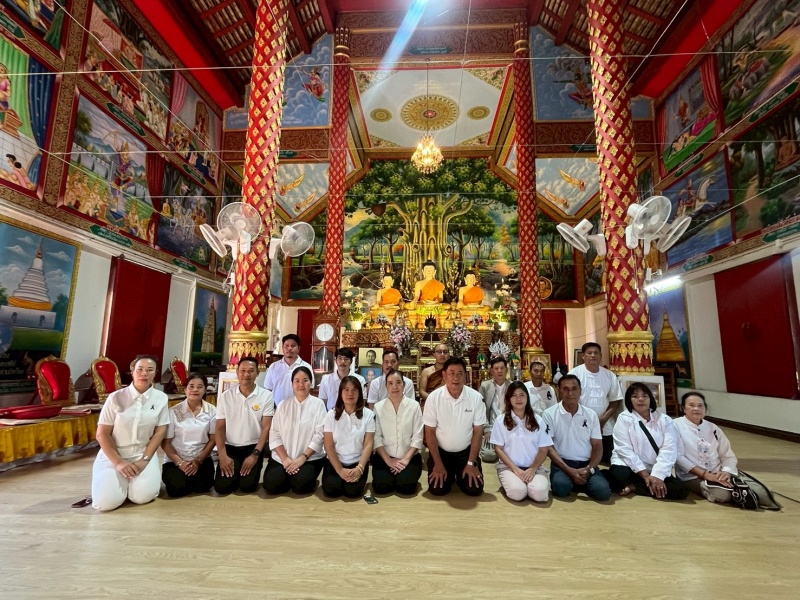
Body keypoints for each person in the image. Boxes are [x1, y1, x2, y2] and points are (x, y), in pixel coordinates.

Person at [91, 355, 169, 511]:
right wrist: (119, 462)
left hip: (142, 454)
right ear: (132, 371)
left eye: (150, 370)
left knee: (142, 498)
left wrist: (145, 459)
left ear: (155, 373)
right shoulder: (115, 398)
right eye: (140, 369)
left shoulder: (161, 398)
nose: (144, 373)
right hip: (114, 454)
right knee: (105, 504)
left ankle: (129, 486)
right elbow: (102, 434)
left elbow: (160, 432)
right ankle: (116, 485)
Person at [607, 383, 688, 500]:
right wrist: (644, 474)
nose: (640, 399)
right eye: (635, 396)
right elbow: (624, 449)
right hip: (628, 464)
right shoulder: (624, 418)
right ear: (629, 401)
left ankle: (635, 487)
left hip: (654, 467)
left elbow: (669, 449)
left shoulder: (665, 420)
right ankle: (646, 484)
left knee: (680, 490)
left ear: (651, 399)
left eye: (644, 396)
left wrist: (657, 476)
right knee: (618, 477)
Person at [541, 375, 611, 501]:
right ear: (559, 391)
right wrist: (569, 470)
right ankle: (576, 480)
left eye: (574, 389)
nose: (570, 393)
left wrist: (589, 469)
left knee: (603, 492)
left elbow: (597, 446)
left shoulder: (591, 415)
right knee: (561, 488)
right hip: (562, 464)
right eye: (565, 389)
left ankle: (582, 479)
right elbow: (549, 447)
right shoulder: (549, 414)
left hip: (587, 464)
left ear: (580, 391)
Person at [423, 357, 485, 497]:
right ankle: (449, 474)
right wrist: (438, 464)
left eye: (460, 373)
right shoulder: (433, 398)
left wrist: (471, 462)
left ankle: (461, 473)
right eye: (451, 373)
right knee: (438, 490)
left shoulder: (476, 398)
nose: (455, 378)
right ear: (444, 375)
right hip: (441, 453)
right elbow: (429, 432)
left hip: (466, 453)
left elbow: (478, 431)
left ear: (465, 376)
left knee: (474, 490)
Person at [214, 357, 273, 495]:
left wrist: (255, 455)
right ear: (237, 372)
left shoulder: (266, 396)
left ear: (258, 373)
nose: (246, 374)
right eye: (243, 371)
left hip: (253, 447)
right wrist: (222, 455)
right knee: (222, 488)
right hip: (230, 447)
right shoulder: (226, 396)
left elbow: (266, 427)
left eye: (251, 371)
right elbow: (220, 427)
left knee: (247, 487)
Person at [263, 366, 327, 495]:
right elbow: (274, 433)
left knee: (300, 487)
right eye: (297, 381)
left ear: (311, 383)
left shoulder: (318, 404)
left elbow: (319, 435)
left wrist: (303, 457)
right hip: (282, 458)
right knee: (271, 486)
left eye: (305, 380)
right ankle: (289, 474)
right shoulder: (283, 405)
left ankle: (298, 477)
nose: (301, 384)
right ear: (292, 384)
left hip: (309, 458)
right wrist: (285, 459)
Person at [491, 381, 553, 502]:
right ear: (509, 399)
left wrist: (533, 469)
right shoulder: (500, 421)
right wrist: (515, 469)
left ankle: (529, 484)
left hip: (534, 468)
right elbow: (498, 449)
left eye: (522, 395)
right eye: (514, 395)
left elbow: (543, 449)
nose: (518, 399)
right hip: (509, 468)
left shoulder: (538, 420)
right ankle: (518, 484)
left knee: (540, 495)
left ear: (527, 397)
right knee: (518, 493)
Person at [674, 392, 738, 503]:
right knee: (723, 495)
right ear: (683, 408)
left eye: (700, 405)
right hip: (692, 476)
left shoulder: (713, 428)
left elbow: (727, 455)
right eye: (691, 405)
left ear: (705, 409)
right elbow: (677, 456)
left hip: (718, 473)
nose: (696, 409)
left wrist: (726, 472)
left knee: (754, 492)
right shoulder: (675, 425)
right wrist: (704, 474)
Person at [161, 373, 216, 498]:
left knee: (203, 487)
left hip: (201, 459)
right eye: (191, 386)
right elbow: (165, 442)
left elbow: (213, 440)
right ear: (185, 389)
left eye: (199, 387)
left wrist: (198, 461)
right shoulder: (173, 412)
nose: (195, 390)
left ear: (205, 390)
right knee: (177, 490)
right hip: (176, 460)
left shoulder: (212, 411)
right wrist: (180, 463)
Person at [321, 376, 375, 498]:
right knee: (331, 490)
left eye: (354, 390)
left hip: (357, 462)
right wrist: (340, 470)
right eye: (346, 389)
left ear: (359, 393)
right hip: (335, 461)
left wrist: (360, 468)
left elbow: (368, 444)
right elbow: (328, 445)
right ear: (340, 393)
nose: (350, 393)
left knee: (352, 492)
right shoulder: (331, 415)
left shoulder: (368, 415)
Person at [372, 370, 424, 495]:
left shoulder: (414, 406)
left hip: (409, 457)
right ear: (386, 386)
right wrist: (389, 461)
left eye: (398, 382)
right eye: (390, 383)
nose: (394, 387)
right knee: (381, 487)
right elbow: (377, 437)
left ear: (404, 385)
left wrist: (405, 459)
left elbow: (418, 436)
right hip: (385, 457)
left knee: (406, 487)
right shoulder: (378, 407)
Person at [568, 342, 623, 463]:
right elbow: (567, 400)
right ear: (583, 356)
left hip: (604, 424)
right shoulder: (574, 374)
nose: (593, 355)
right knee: (581, 458)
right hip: (579, 423)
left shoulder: (609, 375)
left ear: (600, 356)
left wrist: (602, 420)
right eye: (589, 353)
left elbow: (615, 401)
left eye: (596, 353)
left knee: (608, 459)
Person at [259, 334, 312, 406]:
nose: (289, 348)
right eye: (287, 345)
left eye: (293, 346)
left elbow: (310, 390)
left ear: (298, 348)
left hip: (299, 407)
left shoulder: (306, 367)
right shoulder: (273, 367)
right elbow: (268, 389)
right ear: (282, 348)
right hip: (277, 408)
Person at [479, 356, 510, 463]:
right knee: (488, 456)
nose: (499, 371)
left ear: (506, 369)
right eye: (496, 368)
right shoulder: (485, 386)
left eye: (502, 368)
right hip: (492, 426)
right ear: (491, 371)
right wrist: (486, 429)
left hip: (508, 426)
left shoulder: (512, 386)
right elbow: (480, 410)